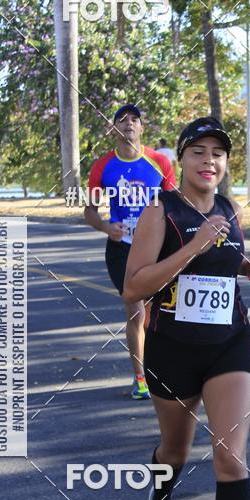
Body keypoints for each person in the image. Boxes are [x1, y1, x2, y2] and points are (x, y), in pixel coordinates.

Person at [123, 116, 250, 500]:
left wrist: (247, 267)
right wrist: (193, 247)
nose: (210, 161)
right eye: (199, 152)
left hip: (229, 342)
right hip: (172, 350)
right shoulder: (160, 212)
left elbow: (226, 259)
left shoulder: (229, 209)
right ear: (181, 159)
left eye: (218, 154)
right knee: (176, 448)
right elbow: (134, 287)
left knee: (230, 456)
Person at [85, 104, 176, 399]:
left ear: (142, 128)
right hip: (121, 249)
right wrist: (105, 226)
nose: (129, 124)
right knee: (136, 311)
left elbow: (175, 205)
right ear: (114, 128)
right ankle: (141, 379)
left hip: (156, 247)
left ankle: (159, 368)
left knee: (154, 314)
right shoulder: (103, 166)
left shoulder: (159, 162)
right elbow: (89, 210)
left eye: (135, 120)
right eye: (122, 120)